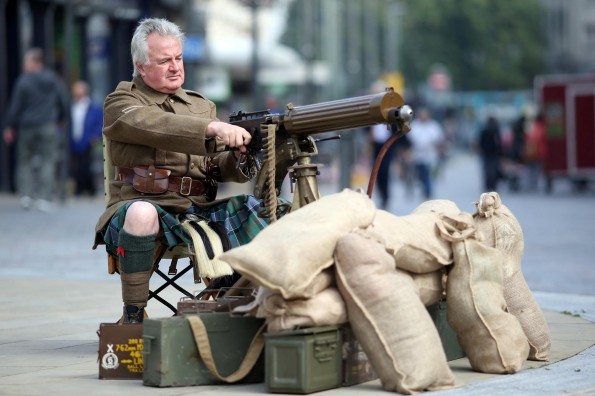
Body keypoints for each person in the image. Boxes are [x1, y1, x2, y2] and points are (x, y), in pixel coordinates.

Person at [92, 18, 287, 324]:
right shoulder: (122, 102)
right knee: (142, 213)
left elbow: (221, 169)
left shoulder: (201, 105)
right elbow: (155, 126)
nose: (175, 67)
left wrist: (240, 154)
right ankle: (133, 316)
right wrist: (212, 127)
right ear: (141, 66)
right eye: (164, 60)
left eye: (179, 58)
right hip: (143, 207)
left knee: (269, 211)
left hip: (200, 210)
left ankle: (234, 297)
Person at [2, 47, 69, 211]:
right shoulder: (53, 79)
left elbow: (15, 106)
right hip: (47, 124)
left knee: (24, 160)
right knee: (48, 159)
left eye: (26, 62)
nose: (25, 66)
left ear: (34, 63)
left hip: (27, 127)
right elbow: (63, 100)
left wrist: (9, 126)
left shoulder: (23, 81)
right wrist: (60, 118)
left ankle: (25, 196)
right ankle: (45, 198)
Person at [69, 80, 104, 196]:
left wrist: (94, 136)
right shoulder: (72, 106)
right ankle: (78, 188)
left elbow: (100, 123)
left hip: (87, 141)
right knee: (76, 166)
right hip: (74, 140)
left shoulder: (93, 107)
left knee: (87, 165)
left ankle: (89, 189)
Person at [408, 107, 444, 200]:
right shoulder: (414, 125)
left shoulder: (434, 126)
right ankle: (426, 190)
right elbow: (411, 139)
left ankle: (428, 190)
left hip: (431, 154)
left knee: (431, 174)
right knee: (422, 174)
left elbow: (439, 139)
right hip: (419, 154)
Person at [477, 116, 503, 192]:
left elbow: (481, 143)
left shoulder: (485, 131)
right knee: (492, 171)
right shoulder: (495, 131)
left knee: (488, 171)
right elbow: (499, 144)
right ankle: (492, 186)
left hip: (487, 154)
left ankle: (488, 185)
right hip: (493, 154)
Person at [523, 112, 548, 192]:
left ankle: (531, 184)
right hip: (539, 151)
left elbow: (528, 138)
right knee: (535, 168)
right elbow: (537, 139)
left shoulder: (533, 127)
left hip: (533, 151)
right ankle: (533, 184)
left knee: (532, 168)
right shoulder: (541, 127)